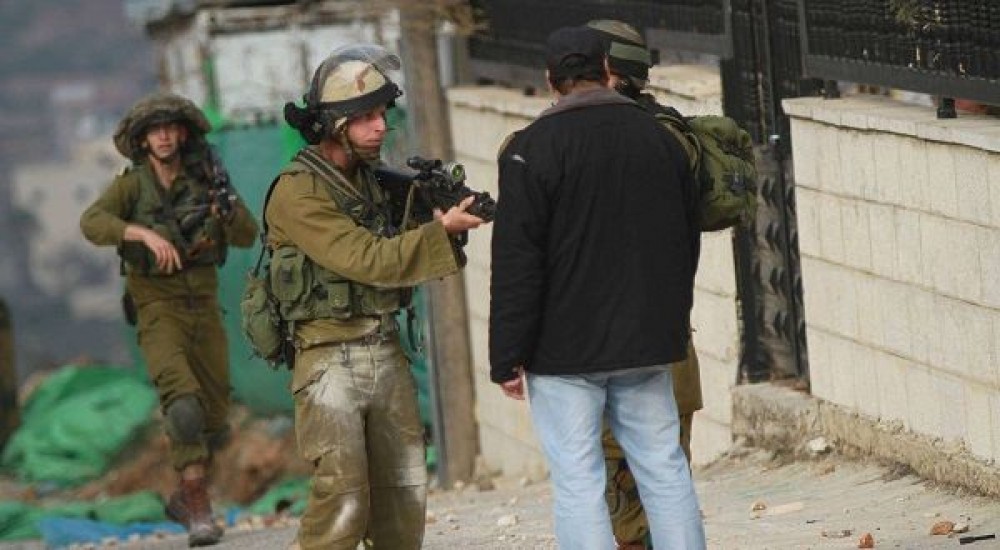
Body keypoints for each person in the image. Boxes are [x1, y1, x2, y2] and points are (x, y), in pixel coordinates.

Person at [489, 25, 706, 550]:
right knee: (664, 467)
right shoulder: (660, 140)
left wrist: (507, 357)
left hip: (562, 353)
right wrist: (670, 324)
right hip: (646, 342)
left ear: (550, 80)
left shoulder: (530, 150)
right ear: (607, 70)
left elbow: (517, 263)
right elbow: (684, 241)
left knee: (579, 478)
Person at [271, 44, 484, 549]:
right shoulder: (298, 192)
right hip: (328, 356)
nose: (381, 127)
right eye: (365, 118)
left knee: (403, 496)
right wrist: (440, 232)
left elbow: (404, 252)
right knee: (343, 499)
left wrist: (439, 219)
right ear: (334, 126)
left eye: (383, 114)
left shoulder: (370, 181)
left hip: (384, 347)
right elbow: (368, 259)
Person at [80, 92, 258, 547]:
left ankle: (184, 494)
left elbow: (246, 235)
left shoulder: (206, 181)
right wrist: (138, 232)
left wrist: (226, 210)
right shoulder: (132, 187)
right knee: (182, 406)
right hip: (157, 308)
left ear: (181, 134)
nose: (162, 137)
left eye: (169, 128)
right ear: (142, 141)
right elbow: (91, 222)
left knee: (214, 419)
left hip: (204, 307)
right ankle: (198, 506)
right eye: (153, 131)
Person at [587, 18, 706, 549]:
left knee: (630, 515)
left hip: (618, 351)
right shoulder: (674, 137)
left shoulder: (612, 144)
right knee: (668, 490)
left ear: (607, 73)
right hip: (671, 346)